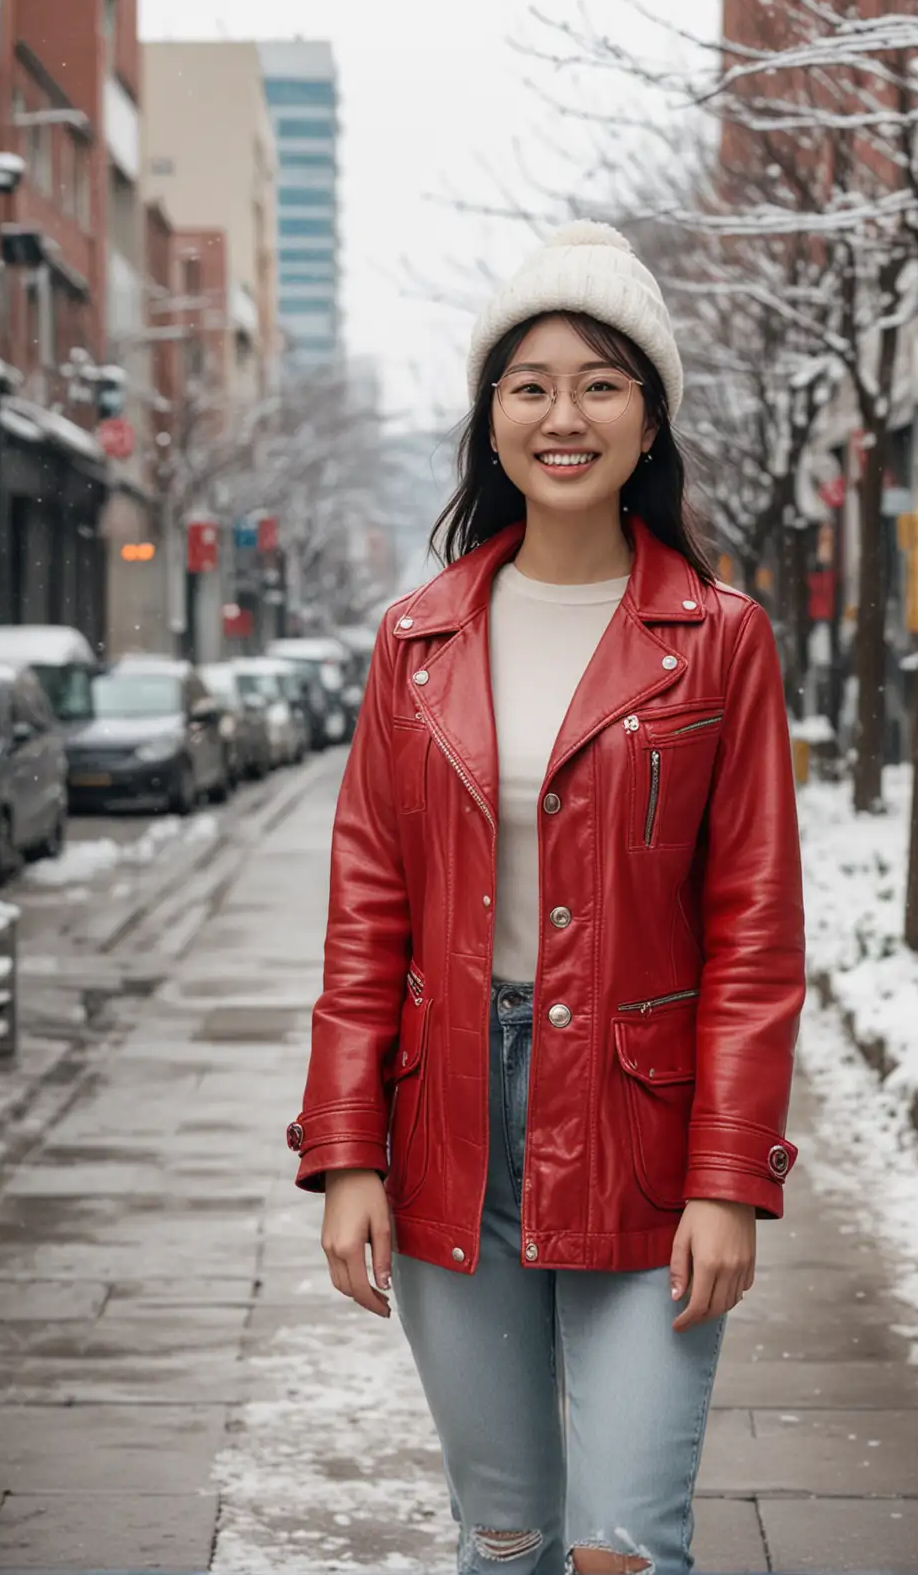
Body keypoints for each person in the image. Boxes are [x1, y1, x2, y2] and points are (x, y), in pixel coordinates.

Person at [288, 222, 806, 1575]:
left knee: (625, 1545)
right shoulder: (415, 644)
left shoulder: (719, 640)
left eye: (600, 382)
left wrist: (730, 1179)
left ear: (649, 422)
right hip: (451, 1111)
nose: (561, 415)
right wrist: (347, 1154)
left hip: (645, 1117)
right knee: (505, 1533)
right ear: (490, 422)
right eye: (528, 384)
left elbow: (755, 934)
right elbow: (367, 919)